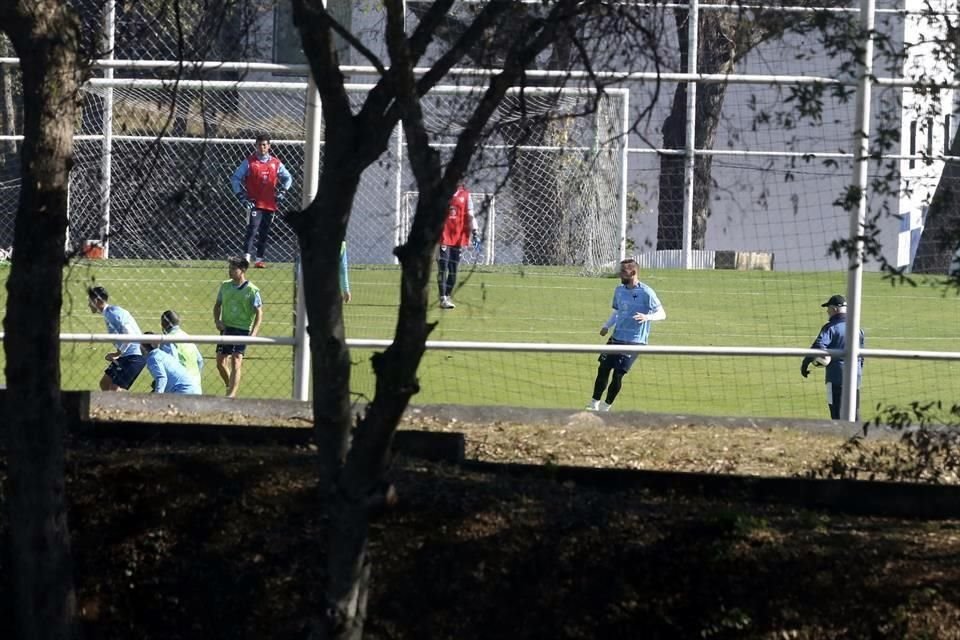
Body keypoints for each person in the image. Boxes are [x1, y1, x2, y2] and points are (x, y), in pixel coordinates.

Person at [585, 258, 666, 412]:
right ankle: (593, 404)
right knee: (603, 369)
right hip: (616, 338)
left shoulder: (646, 292)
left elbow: (662, 313)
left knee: (618, 374)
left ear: (633, 272)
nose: (620, 274)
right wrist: (606, 326)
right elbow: (617, 311)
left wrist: (647, 317)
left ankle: (606, 407)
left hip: (635, 342)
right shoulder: (619, 290)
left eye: (623, 271)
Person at [230, 133, 293, 269]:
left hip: (269, 204)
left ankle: (259, 259)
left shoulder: (276, 163)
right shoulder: (249, 162)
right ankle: (246, 259)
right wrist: (241, 196)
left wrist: (283, 191)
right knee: (252, 229)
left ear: (269, 146)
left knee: (264, 231)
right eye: (259, 145)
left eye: (264, 145)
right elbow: (235, 178)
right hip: (254, 203)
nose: (262, 147)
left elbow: (288, 178)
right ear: (256, 146)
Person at [801, 294, 865, 420]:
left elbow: (818, 346)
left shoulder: (830, 328)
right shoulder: (858, 329)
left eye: (828, 308)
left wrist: (805, 363)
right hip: (855, 378)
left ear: (835, 309)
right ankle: (857, 432)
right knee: (854, 413)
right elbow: (861, 355)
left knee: (836, 414)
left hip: (836, 378)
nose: (827, 311)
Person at [213, 256, 263, 398]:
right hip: (226, 328)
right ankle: (230, 386)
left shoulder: (252, 290)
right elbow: (217, 306)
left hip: (242, 330)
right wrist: (217, 321)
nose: (230, 271)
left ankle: (231, 395)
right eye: (229, 268)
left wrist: (254, 333)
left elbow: (259, 313)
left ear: (243, 270)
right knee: (220, 362)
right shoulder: (225, 286)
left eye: (234, 268)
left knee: (236, 360)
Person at [87, 285, 147, 391]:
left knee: (115, 388)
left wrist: (118, 353)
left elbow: (129, 335)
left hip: (135, 356)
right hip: (126, 354)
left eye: (90, 301)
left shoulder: (112, 314)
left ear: (96, 300)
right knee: (105, 383)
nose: (88, 304)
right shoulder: (109, 312)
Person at [436, 182, 478, 309]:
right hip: (443, 236)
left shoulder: (465, 195)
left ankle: (447, 296)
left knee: (453, 270)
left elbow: (470, 214)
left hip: (458, 237)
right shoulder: (441, 191)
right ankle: (443, 298)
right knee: (443, 266)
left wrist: (475, 231)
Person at [160, 309, 204, 392]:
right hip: (196, 387)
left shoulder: (167, 340)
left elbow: (170, 365)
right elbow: (200, 361)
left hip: (180, 388)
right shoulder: (187, 337)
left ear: (164, 323)